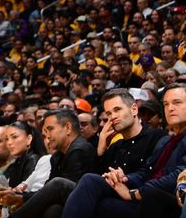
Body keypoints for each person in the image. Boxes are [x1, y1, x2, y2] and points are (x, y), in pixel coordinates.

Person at [61, 83, 186, 217]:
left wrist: (135, 193)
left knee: (82, 191)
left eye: (177, 102)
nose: (170, 108)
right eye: (166, 104)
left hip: (161, 202)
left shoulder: (156, 136)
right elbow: (146, 171)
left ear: (134, 109)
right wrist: (122, 177)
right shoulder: (166, 141)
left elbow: (178, 176)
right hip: (144, 196)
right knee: (80, 195)